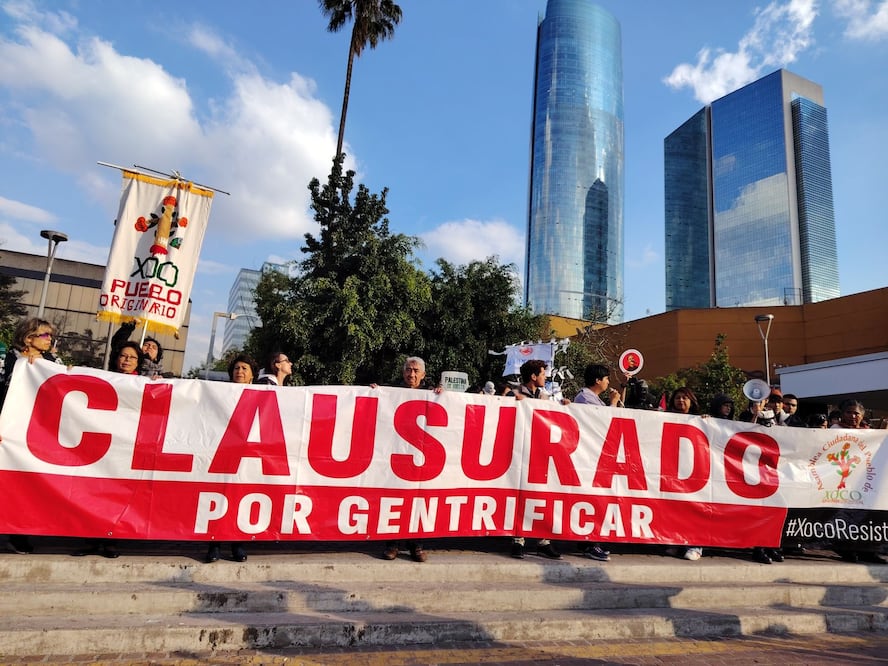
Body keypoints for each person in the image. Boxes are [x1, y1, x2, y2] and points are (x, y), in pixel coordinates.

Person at [1, 317, 63, 554]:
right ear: (29, 338)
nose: (50, 340)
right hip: (9, 430)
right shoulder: (9, 360)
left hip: (37, 435)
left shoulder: (52, 362)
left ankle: (19, 533)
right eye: (45, 335)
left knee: (27, 484)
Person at [376, 356, 441, 563]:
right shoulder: (391, 391)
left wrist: (443, 396)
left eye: (415, 371)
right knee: (394, 501)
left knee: (418, 501)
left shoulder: (432, 394)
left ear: (423, 374)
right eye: (408, 370)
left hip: (422, 460)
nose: (411, 374)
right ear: (403, 372)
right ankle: (392, 544)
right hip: (396, 456)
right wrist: (373, 392)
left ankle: (416, 545)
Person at [205, 354, 258, 564]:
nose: (240, 372)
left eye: (245, 368)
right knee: (219, 499)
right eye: (237, 368)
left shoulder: (262, 394)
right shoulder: (220, 394)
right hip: (224, 454)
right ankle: (214, 544)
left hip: (247, 456)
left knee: (241, 499)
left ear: (253, 374)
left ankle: (238, 544)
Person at [509, 359, 562, 560]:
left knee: (541, 496)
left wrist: (564, 406)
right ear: (533, 376)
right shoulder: (514, 394)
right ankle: (518, 539)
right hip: (520, 453)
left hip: (541, 453)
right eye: (542, 373)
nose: (545, 376)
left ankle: (542, 541)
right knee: (520, 495)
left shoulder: (545, 396)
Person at [571, 364, 617, 562]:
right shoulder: (584, 398)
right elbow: (605, 422)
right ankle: (590, 543)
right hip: (588, 458)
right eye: (606, 378)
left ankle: (589, 541)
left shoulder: (593, 398)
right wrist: (614, 403)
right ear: (598, 380)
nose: (608, 382)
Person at [666, 387, 703, 561]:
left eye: (684, 398)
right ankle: (676, 542)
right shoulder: (663, 418)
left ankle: (695, 545)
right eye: (677, 398)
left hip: (694, 473)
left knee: (693, 509)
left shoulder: (701, 421)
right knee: (674, 509)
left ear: (691, 401)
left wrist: (707, 423)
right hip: (671, 471)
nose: (680, 401)